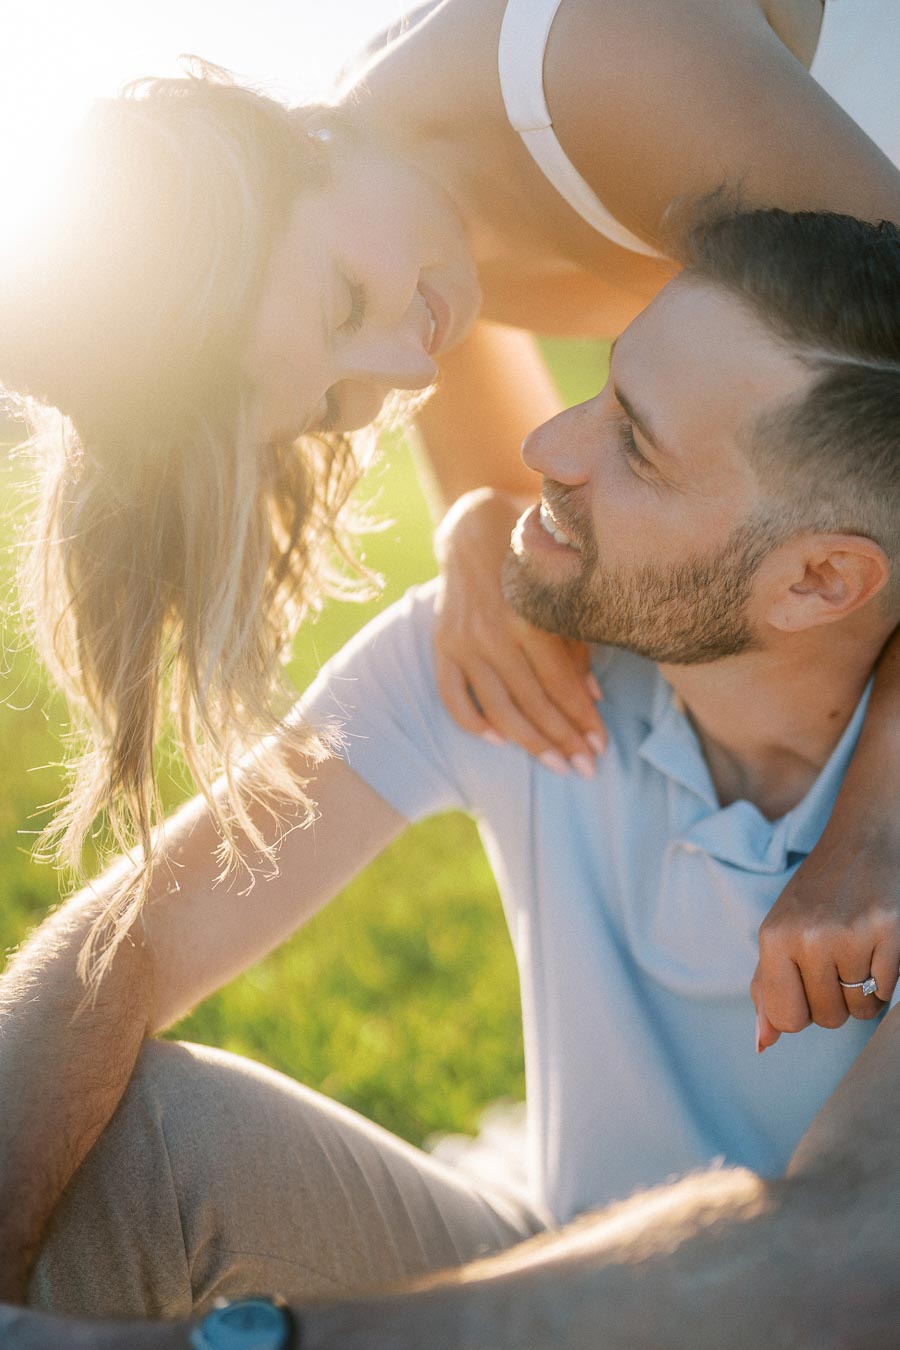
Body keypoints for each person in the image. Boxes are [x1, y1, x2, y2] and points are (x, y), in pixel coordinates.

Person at [2, 205, 900, 1345]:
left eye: (635, 443)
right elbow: (129, 942)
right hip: (534, 1250)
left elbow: (842, 1264)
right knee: (126, 1133)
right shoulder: (505, 660)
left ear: (821, 580)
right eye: (604, 387)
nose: (544, 449)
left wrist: (258, 1341)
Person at [1, 0, 899, 1036]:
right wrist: (478, 523)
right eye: (333, 405)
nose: (405, 369)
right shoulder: (418, 233)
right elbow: (565, 553)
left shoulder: (601, 68)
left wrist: (875, 823)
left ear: (290, 138)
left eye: (342, 304)